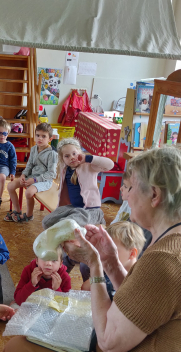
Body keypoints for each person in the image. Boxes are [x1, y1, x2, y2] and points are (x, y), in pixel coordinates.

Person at [54, 147, 181, 352]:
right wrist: (111, 263)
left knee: (18, 346)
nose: (127, 197)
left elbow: (107, 341)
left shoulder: (164, 259)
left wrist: (95, 265)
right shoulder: (169, 243)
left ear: (154, 194)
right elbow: (141, 302)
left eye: (130, 188)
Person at [41, 138, 114, 281]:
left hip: (90, 210)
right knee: (47, 221)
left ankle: (59, 260)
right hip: (72, 208)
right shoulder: (65, 169)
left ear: (80, 152)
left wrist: (88, 158)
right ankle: (61, 252)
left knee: (66, 223)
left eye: (74, 153)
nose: (72, 158)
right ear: (63, 159)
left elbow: (109, 164)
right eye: (67, 156)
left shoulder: (88, 166)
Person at [5, 123, 58, 223]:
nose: (40, 139)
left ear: (50, 139)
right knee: (10, 186)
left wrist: (34, 180)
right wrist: (23, 175)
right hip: (31, 177)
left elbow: (52, 174)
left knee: (29, 192)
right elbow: (29, 165)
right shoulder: (34, 149)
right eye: (38, 135)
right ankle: (17, 210)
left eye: (43, 136)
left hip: (44, 180)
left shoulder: (52, 154)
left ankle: (29, 215)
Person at [80, 221, 145, 298]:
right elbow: (86, 287)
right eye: (104, 247)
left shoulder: (138, 281)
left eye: (112, 249)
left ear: (132, 254)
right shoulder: (112, 269)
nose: (105, 253)